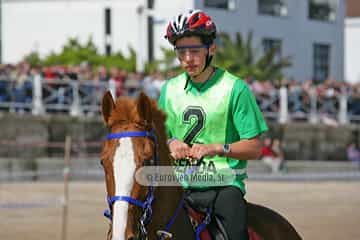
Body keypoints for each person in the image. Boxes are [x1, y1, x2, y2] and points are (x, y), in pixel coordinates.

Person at [158, 9, 268, 240]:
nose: (188, 58)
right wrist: (170, 141)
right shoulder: (169, 90)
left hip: (224, 186)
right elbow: (158, 137)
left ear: (211, 49)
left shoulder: (235, 89)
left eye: (195, 51)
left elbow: (255, 148)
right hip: (177, 184)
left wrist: (217, 148)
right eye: (181, 51)